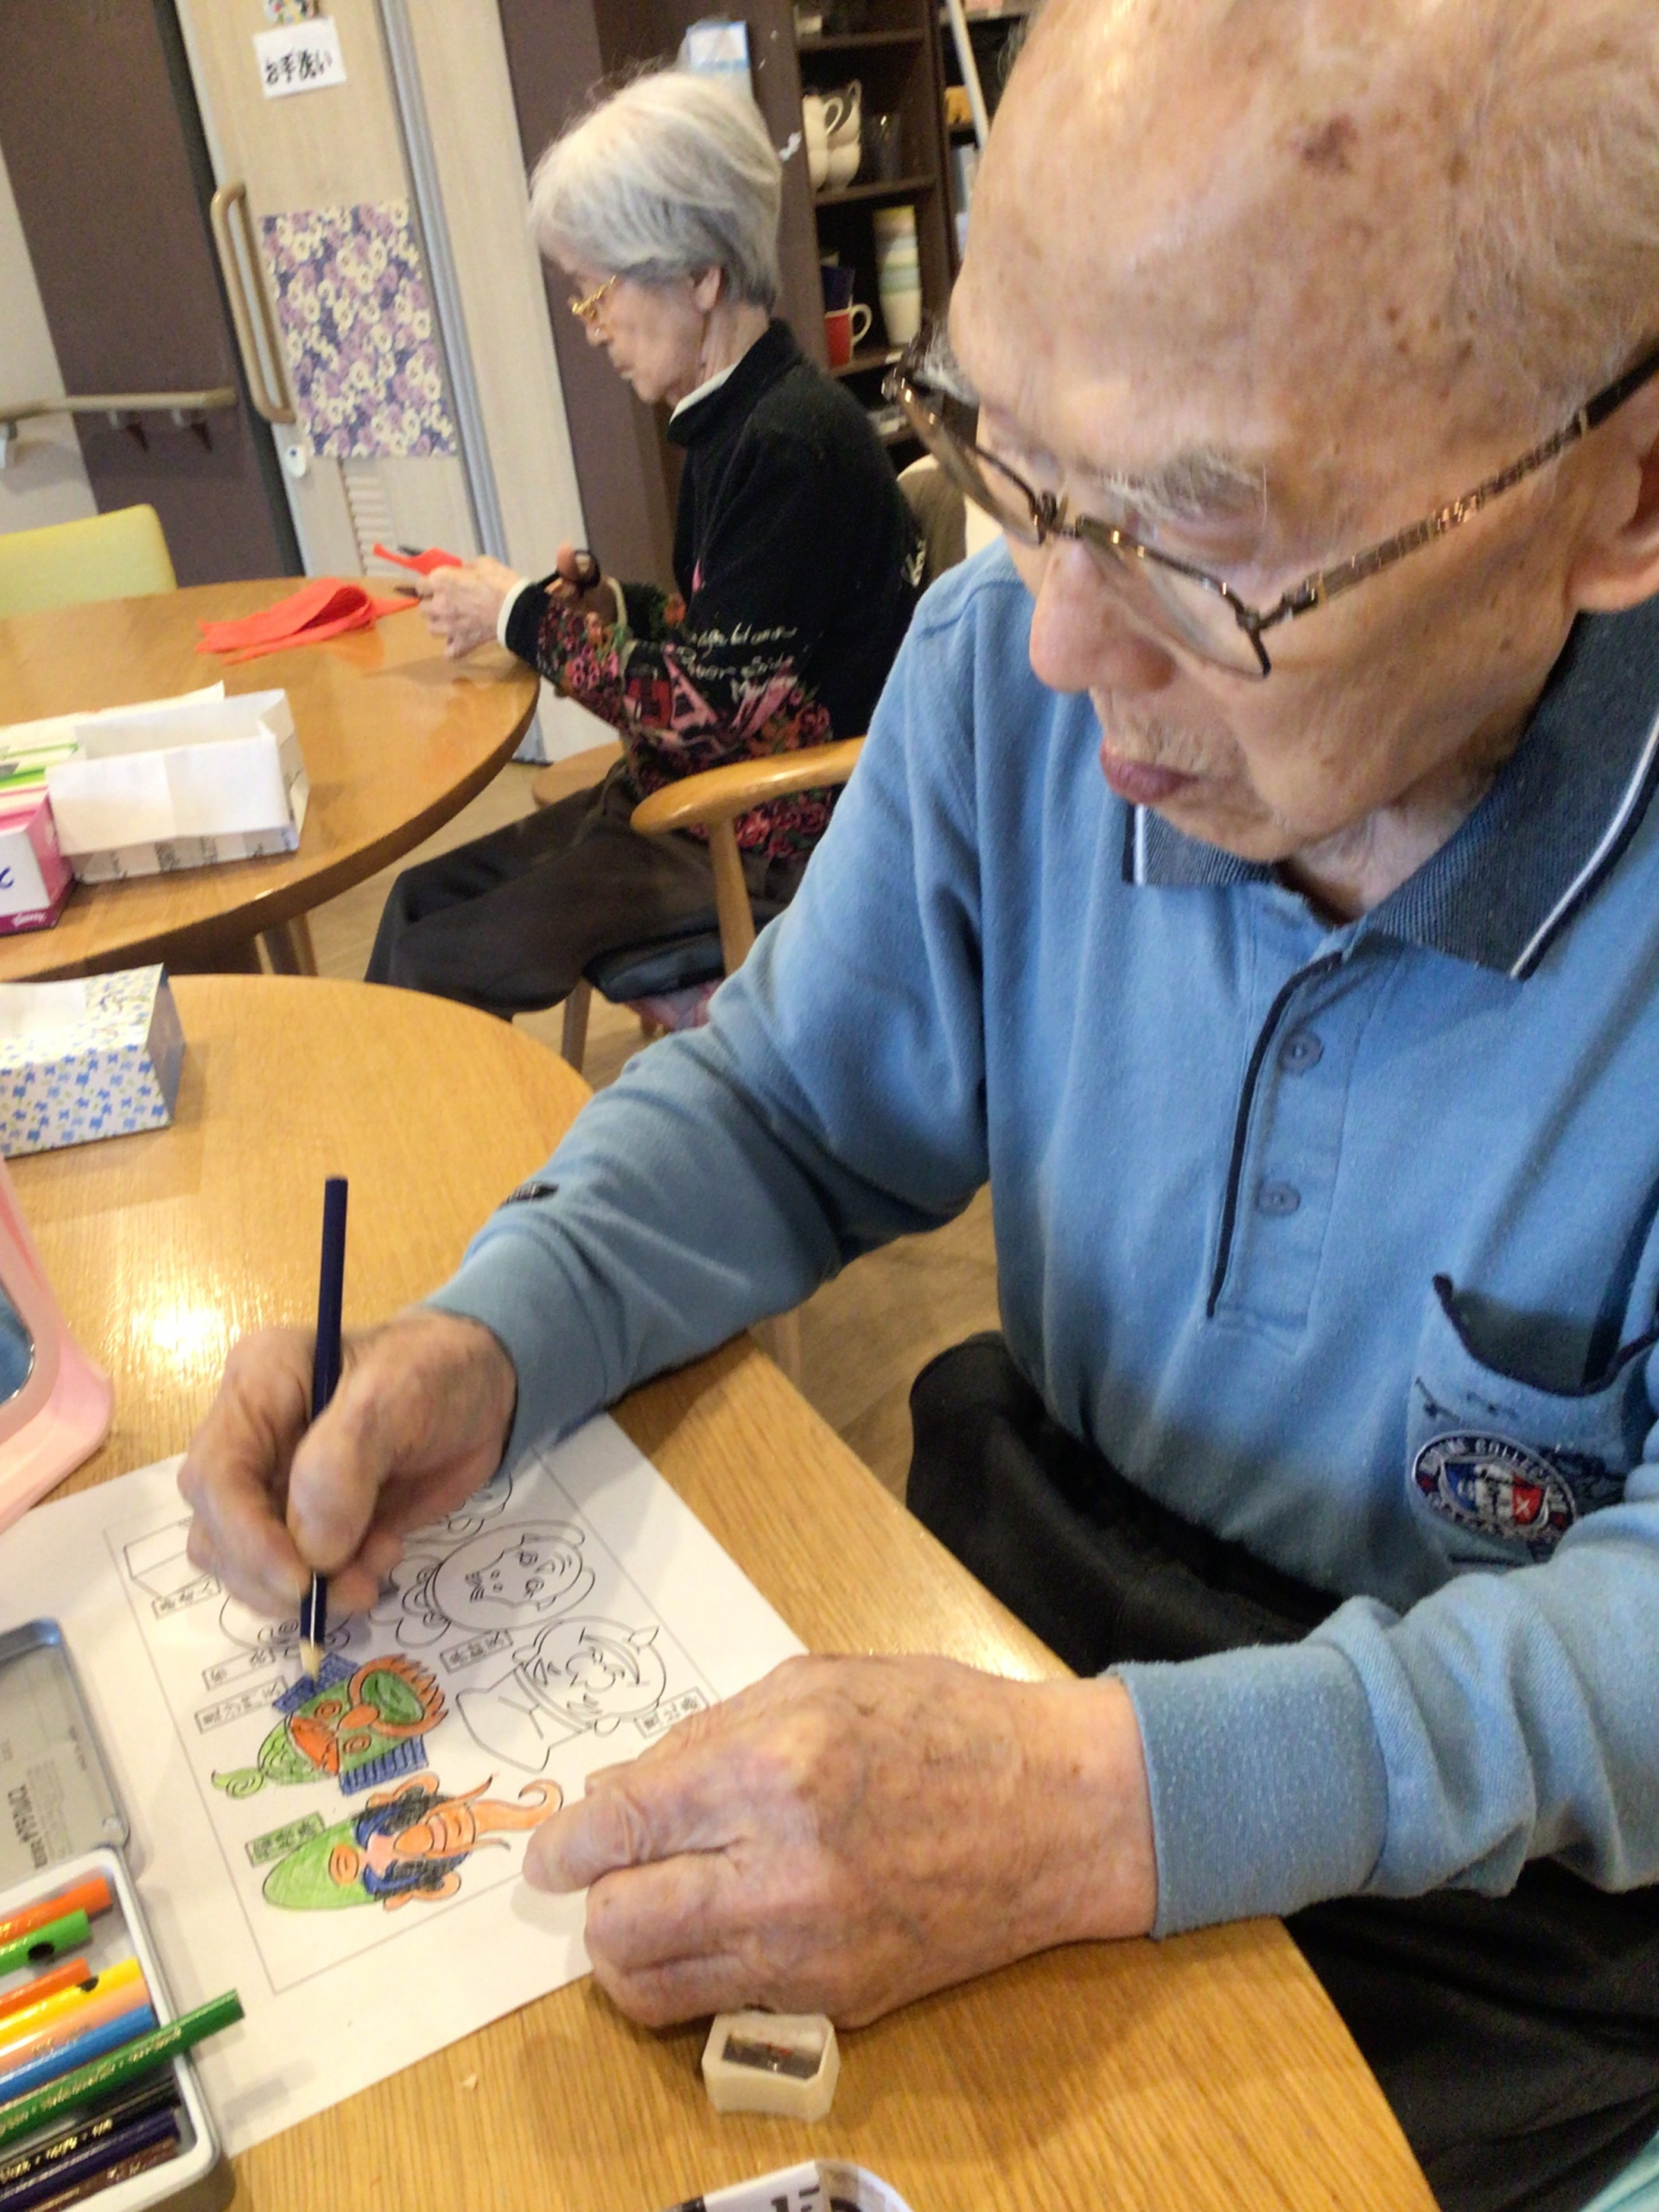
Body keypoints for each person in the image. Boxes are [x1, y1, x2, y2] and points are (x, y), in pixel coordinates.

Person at [181, 0, 1659, 2204]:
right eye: (1010, 465)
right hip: (1033, 1612)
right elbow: (791, 1105)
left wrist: (1095, 1806)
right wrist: (494, 1331)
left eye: (1199, 532)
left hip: (1493, 1888)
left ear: (1618, 490)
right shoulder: (1009, 681)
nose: (1057, 642)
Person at [365, 68, 923, 1016]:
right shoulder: (738, 418)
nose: (594, 332)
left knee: (433, 961)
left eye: (597, 296)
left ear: (701, 275)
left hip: (772, 836)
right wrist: (612, 606)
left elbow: (704, 708)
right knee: (418, 902)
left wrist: (521, 617)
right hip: (715, 800)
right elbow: (741, 641)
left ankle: (427, 1118)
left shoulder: (789, 445)